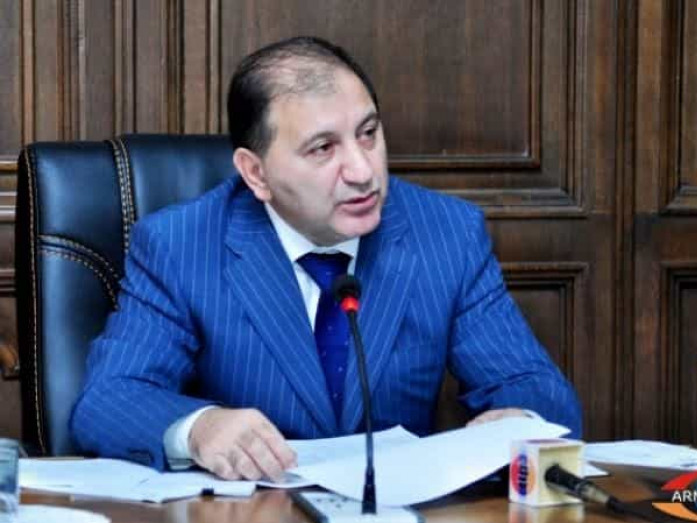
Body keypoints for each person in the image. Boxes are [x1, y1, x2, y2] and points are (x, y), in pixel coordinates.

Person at [70, 36, 581, 482]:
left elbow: (537, 389)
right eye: (323, 148)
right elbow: (109, 400)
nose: (362, 171)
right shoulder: (181, 245)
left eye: (368, 133)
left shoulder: (446, 235)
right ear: (256, 174)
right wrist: (199, 427)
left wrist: (519, 419)